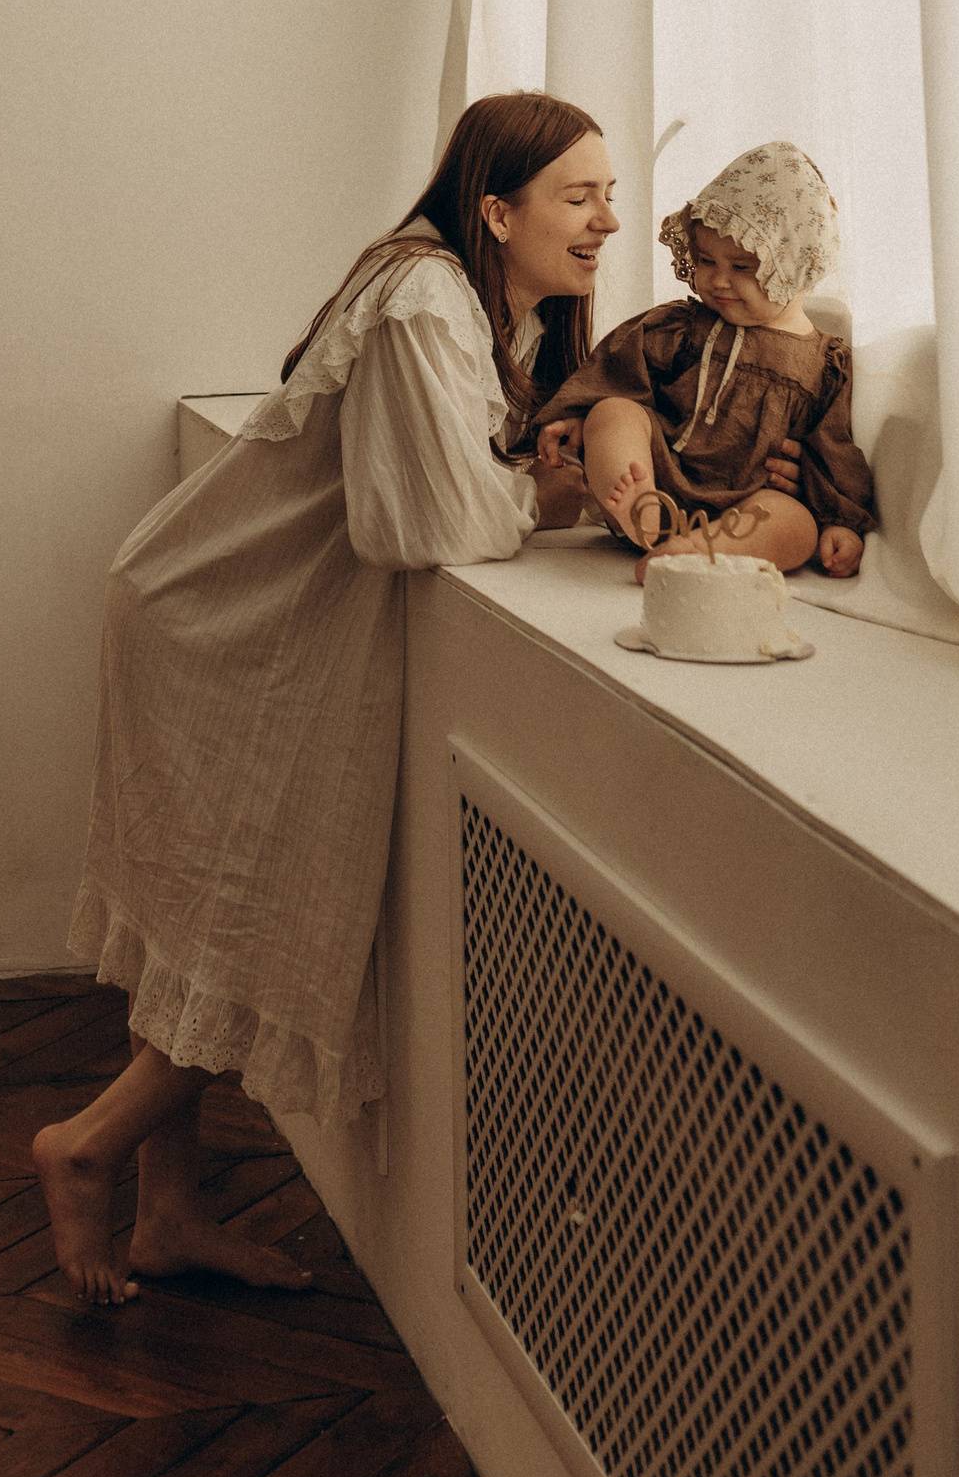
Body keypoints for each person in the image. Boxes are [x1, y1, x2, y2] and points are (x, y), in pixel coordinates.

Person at [34, 93, 616, 1306]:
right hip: (216, 624)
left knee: (196, 923)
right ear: (496, 211)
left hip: (214, 613)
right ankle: (84, 1147)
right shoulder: (425, 301)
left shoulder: (473, 302)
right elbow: (420, 521)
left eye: (609, 194)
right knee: (240, 924)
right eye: (580, 195)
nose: (608, 220)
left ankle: (168, 1211)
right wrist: (545, 501)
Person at [533, 140, 875, 580]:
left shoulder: (824, 365)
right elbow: (616, 369)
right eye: (707, 260)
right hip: (657, 472)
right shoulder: (683, 326)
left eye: (742, 267)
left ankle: (697, 550)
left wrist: (841, 521)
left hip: (744, 502)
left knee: (796, 526)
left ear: (793, 268)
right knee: (613, 412)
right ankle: (641, 511)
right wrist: (578, 417)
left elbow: (834, 450)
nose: (717, 280)